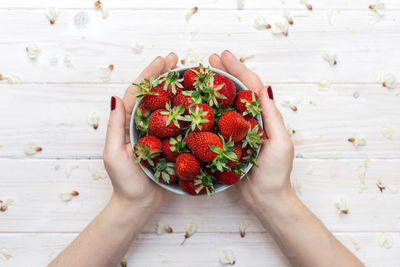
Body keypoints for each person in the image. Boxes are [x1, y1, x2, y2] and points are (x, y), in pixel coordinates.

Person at [49, 51, 364, 267]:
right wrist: (274, 198)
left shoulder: (205, 138)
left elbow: (205, 141)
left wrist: (273, 196)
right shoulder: (200, 141)